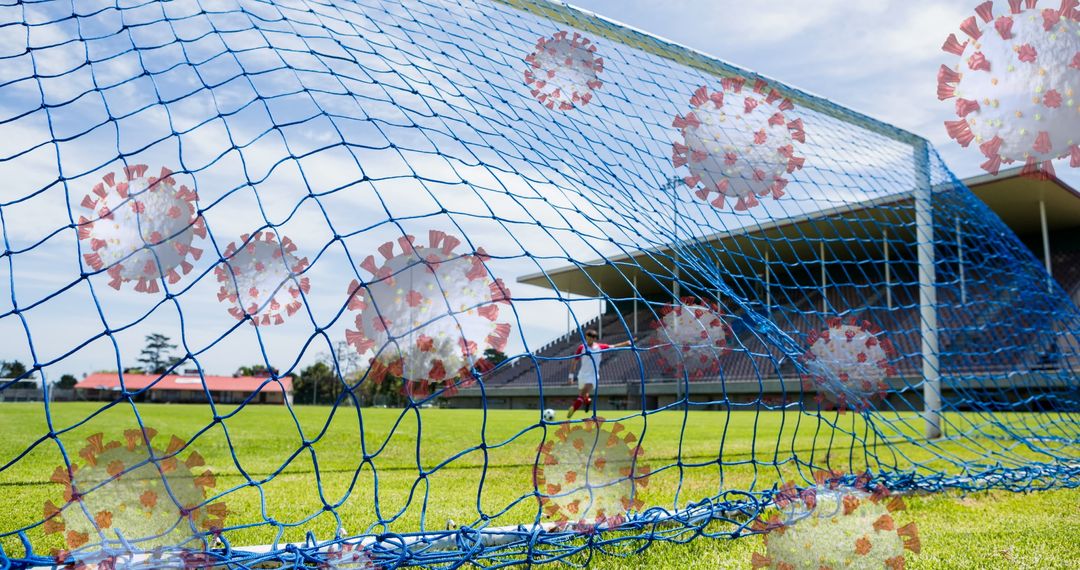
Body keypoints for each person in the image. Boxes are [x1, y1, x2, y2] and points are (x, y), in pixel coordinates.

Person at [567, 328, 631, 418]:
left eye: (591, 338)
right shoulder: (581, 348)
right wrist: (571, 376)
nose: (588, 340)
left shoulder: (600, 347)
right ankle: (588, 401)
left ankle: (573, 409)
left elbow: (613, 346)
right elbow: (574, 361)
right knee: (584, 394)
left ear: (594, 339)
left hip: (593, 376)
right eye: (587, 338)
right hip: (582, 375)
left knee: (582, 393)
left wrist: (626, 343)